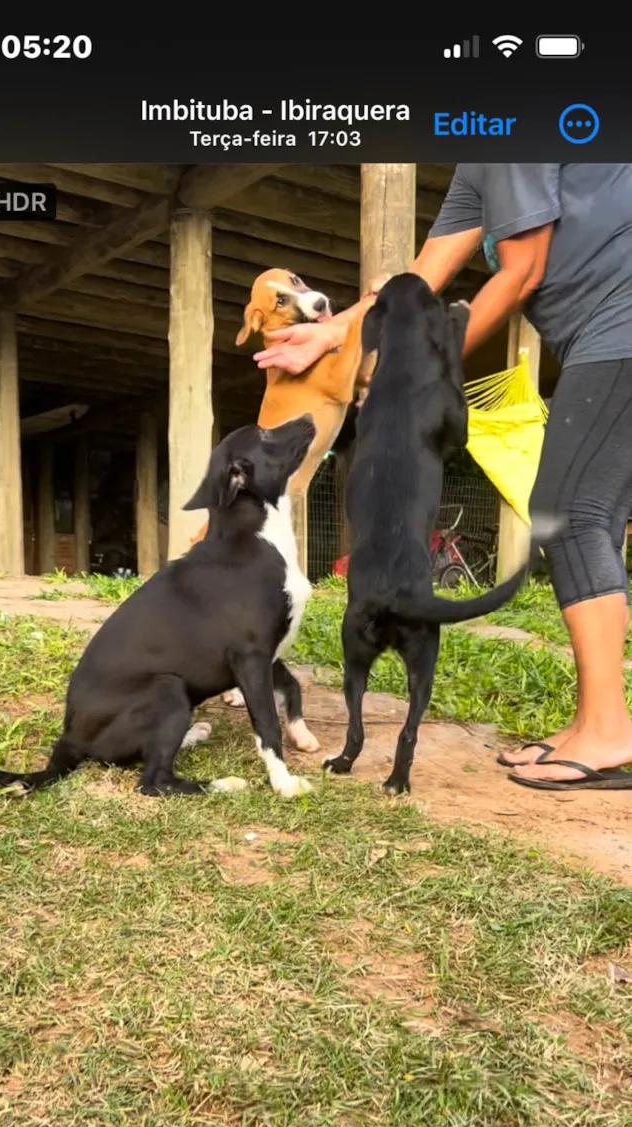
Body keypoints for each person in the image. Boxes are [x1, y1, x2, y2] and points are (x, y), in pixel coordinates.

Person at [255, 165, 632, 792]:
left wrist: (418, 375)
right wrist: (334, 331)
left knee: (573, 510)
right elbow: (425, 272)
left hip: (620, 328)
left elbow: (522, 272)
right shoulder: (479, 159)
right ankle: (595, 723)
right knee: (582, 509)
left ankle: (609, 729)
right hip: (605, 334)